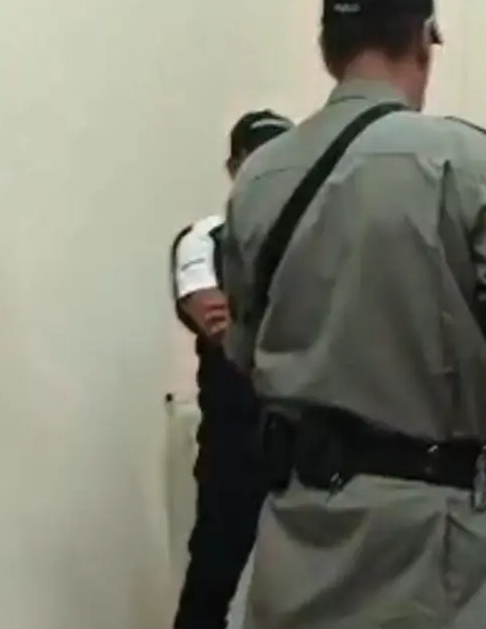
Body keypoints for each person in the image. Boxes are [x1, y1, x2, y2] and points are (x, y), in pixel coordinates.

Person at [219, 0, 486, 628]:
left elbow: (243, 348)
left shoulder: (259, 177)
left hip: (296, 535)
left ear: (327, 45)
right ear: (423, 37)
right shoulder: (463, 160)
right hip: (429, 546)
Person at [170, 109, 294, 629]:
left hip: (310, 440)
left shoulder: (321, 234)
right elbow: (216, 322)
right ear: (233, 167)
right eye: (255, 159)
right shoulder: (207, 238)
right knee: (211, 585)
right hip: (236, 438)